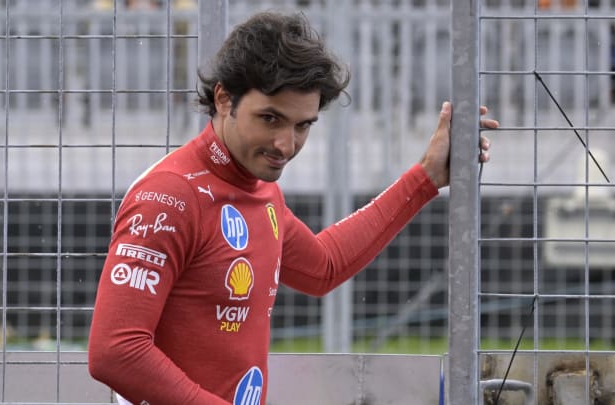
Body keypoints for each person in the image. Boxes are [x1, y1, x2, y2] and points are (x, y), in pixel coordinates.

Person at [87, 10, 497, 405]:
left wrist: (425, 177)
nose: (286, 145)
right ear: (224, 99)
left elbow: (323, 267)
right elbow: (115, 350)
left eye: (303, 125)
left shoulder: (256, 187)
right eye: (270, 118)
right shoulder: (170, 198)